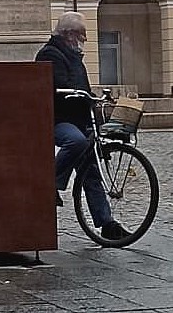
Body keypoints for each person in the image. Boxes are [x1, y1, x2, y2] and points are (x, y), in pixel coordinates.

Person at [35, 12, 128, 241]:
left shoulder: (74, 57)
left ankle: (107, 225)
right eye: (81, 35)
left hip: (77, 120)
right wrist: (79, 95)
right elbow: (60, 87)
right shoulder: (51, 54)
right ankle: (51, 184)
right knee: (75, 141)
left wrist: (96, 101)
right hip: (56, 119)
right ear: (69, 34)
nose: (84, 40)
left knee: (91, 173)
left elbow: (81, 88)